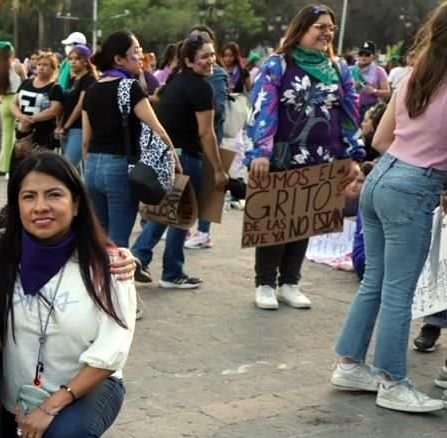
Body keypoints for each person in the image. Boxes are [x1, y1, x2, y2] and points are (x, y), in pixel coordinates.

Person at [0, 152, 136, 438]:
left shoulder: (107, 263)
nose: (40, 207)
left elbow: (110, 354)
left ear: (75, 201)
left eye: (54, 195)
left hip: (87, 388)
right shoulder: (2, 248)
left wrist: (53, 406)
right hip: (17, 400)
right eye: (28, 196)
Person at [332, 2, 447, 414]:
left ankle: (349, 364)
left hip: (383, 175)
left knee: (376, 281)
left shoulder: (415, 75)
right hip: (415, 185)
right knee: (398, 289)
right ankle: (392, 380)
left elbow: (380, 139)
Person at [244, 4, 363, 311]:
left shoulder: (339, 69)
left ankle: (290, 283)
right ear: (302, 29)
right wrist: (261, 151)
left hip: (322, 157)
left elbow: (350, 115)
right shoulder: (278, 64)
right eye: (320, 27)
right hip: (282, 156)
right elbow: (263, 107)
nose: (326, 33)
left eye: (330, 28)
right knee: (276, 220)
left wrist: (351, 153)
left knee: (304, 221)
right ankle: (266, 284)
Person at [131, 33, 227, 290]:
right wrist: (218, 170)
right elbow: (206, 133)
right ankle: (158, 265)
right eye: (204, 56)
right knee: (181, 215)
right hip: (184, 157)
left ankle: (149, 260)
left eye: (212, 55)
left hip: (166, 155)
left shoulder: (176, 82)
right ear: (189, 60)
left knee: (171, 212)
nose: (211, 61)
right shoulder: (201, 87)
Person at [82, 30, 175, 251]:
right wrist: (174, 160)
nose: (141, 57)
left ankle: (98, 283)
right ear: (118, 59)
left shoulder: (92, 89)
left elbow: (86, 140)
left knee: (99, 238)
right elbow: (158, 130)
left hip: (92, 167)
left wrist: (89, 170)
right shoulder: (129, 87)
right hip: (119, 168)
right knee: (118, 242)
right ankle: (116, 284)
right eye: (136, 52)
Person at [183, 26, 228, 251]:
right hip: (192, 140)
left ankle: (204, 232)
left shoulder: (216, 74)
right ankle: (193, 229)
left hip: (209, 137)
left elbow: (220, 108)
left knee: (210, 186)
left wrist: (198, 108)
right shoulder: (187, 75)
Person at [10, 49, 63, 167]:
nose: (41, 67)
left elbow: (54, 110)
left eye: (45, 65)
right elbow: (14, 103)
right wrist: (21, 116)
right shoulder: (26, 83)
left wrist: (32, 119)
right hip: (22, 131)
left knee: (38, 166)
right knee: (19, 165)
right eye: (39, 64)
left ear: (53, 69)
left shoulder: (55, 88)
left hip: (42, 134)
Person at [57, 44, 96, 170]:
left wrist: (66, 126)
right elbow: (63, 105)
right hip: (65, 128)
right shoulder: (70, 79)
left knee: (68, 165)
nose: (73, 62)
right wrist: (60, 126)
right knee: (74, 170)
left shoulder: (89, 79)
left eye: (77, 59)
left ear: (85, 61)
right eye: (71, 58)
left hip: (79, 127)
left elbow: (80, 105)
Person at [0, 42, 27, 176]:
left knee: (6, 137)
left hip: (4, 102)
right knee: (21, 136)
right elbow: (26, 83)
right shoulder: (18, 66)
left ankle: (6, 168)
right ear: (12, 53)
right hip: (18, 101)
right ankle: (19, 164)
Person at [353, 40, 391, 123]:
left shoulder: (379, 71)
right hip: (352, 108)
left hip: (369, 110)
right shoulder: (350, 70)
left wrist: (374, 91)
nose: (363, 57)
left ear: (373, 56)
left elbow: (387, 92)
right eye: (361, 54)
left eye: (367, 54)